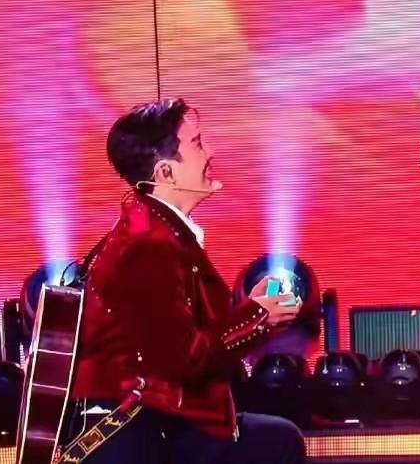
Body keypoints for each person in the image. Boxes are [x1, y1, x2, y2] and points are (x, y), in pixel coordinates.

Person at [65, 98, 307, 464]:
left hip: (164, 422)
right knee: (277, 442)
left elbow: (185, 336)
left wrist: (253, 311)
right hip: (143, 432)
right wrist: (258, 317)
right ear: (165, 173)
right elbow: (184, 360)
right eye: (196, 144)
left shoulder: (158, 231)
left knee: (274, 437)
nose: (210, 152)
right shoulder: (146, 246)